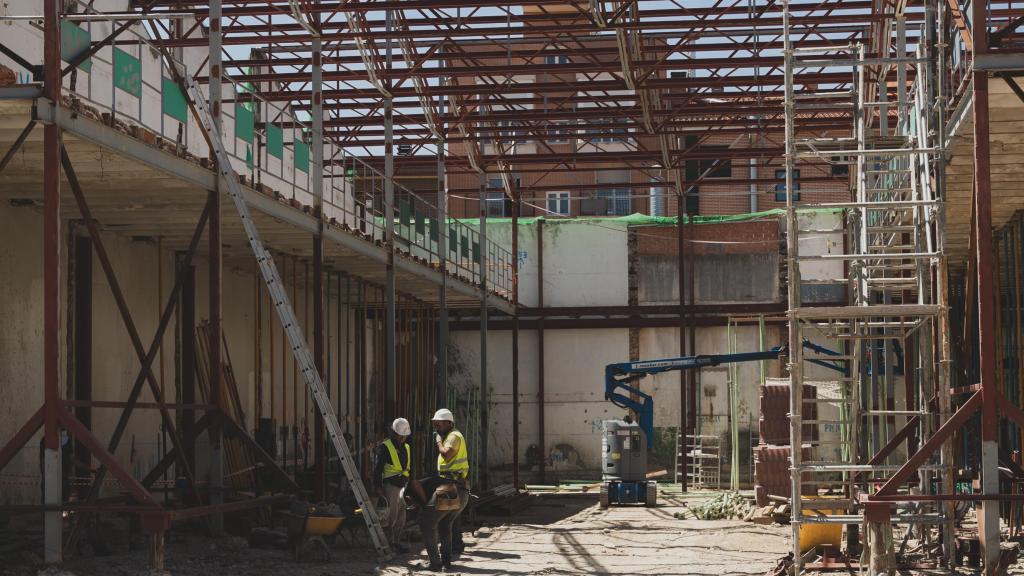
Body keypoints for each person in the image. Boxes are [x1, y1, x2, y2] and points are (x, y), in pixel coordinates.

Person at [416, 408, 470, 570]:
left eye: (439, 424)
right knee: (445, 524)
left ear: (449, 422)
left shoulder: (453, 436)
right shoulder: (451, 435)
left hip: (450, 488)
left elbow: (446, 454)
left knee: (426, 522)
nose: (436, 427)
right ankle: (446, 562)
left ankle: (435, 563)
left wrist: (438, 441)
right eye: (435, 424)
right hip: (458, 489)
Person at [373, 417, 421, 553]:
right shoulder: (386, 446)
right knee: (391, 516)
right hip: (391, 485)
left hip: (402, 485)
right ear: (394, 433)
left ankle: (396, 542)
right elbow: (378, 468)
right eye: (400, 435)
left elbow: (409, 467)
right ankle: (388, 543)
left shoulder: (406, 447)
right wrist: (378, 486)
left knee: (401, 516)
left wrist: (411, 485)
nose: (402, 438)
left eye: (404, 436)